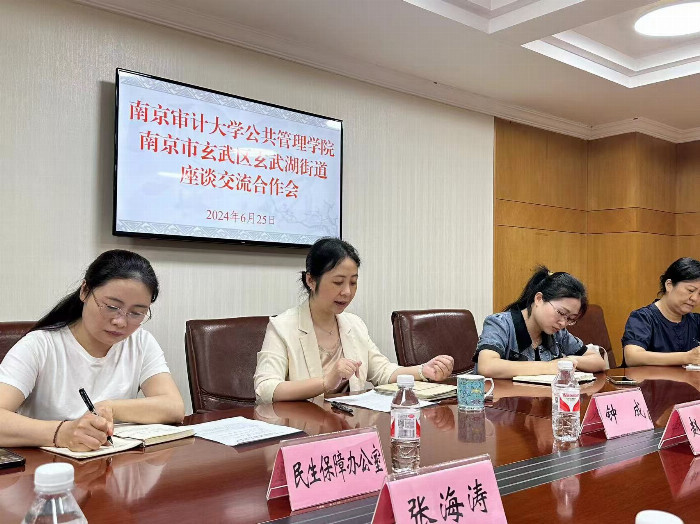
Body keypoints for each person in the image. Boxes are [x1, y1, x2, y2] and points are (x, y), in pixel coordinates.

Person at [0, 250, 185, 451]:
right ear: (85, 291)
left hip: (111, 462)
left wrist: (109, 407)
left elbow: (174, 407)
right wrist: (61, 433)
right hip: (48, 466)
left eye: (136, 313)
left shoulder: (140, 342)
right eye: (112, 307)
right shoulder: (40, 346)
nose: (121, 322)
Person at [254, 238, 454, 403]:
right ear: (311, 280)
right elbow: (265, 388)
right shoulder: (283, 327)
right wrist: (325, 382)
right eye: (338, 282)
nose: (347, 292)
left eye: (353, 282)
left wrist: (423, 370)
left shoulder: (354, 324)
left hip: (349, 426)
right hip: (304, 429)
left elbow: (382, 372)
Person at [474, 266, 605, 379]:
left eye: (570, 319)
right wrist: (548, 367)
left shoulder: (558, 333)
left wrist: (570, 360)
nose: (563, 323)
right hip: (502, 400)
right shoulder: (500, 324)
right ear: (539, 299)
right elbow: (487, 366)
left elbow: (598, 362)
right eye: (561, 313)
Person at [623, 257, 700, 367]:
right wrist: (687, 357)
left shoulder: (696, 321)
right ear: (669, 285)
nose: (695, 299)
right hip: (648, 378)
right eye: (690, 290)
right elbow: (632, 357)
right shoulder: (643, 318)